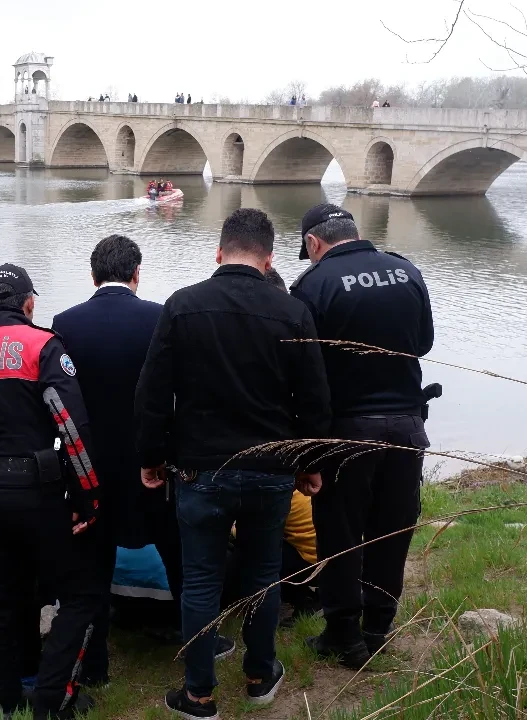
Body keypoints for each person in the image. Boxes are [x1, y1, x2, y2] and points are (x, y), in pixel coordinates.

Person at [135, 209, 331, 719]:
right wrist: (310, 464)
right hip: (270, 469)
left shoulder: (182, 306)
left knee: (199, 580)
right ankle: (260, 676)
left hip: (200, 470)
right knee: (264, 572)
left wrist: (151, 458)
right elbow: (314, 400)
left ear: (219, 253)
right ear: (268, 260)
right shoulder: (292, 312)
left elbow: (153, 393)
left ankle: (199, 695)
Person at [52, 235, 233, 685]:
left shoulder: (65, 323)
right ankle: (201, 640)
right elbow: (176, 391)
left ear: (92, 276)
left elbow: (63, 400)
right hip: (152, 462)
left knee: (94, 563)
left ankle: (95, 665)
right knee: (180, 555)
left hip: (91, 466)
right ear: (137, 273)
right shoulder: (159, 316)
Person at [0, 264, 105, 719]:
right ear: (29, 304)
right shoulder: (43, 345)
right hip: (41, 493)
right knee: (80, 596)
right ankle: (52, 698)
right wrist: (88, 497)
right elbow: (72, 428)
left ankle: (4, 698)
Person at [289, 203, 434, 669]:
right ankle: (378, 628)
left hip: (348, 431)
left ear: (314, 243)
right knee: (393, 529)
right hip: (407, 428)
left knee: (342, 534)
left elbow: (306, 372)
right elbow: (424, 342)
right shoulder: (406, 271)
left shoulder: (313, 285)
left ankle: (344, 636)